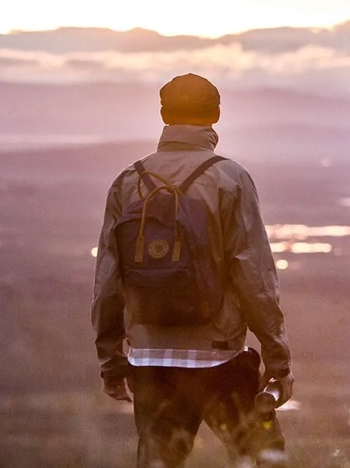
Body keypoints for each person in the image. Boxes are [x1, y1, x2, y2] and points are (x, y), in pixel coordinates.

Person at [92, 73, 294, 467]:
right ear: (216, 115)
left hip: (149, 360)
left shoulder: (128, 181)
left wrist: (111, 360)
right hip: (220, 359)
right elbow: (254, 276)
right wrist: (277, 358)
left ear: (164, 115)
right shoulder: (229, 178)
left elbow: (108, 282)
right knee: (265, 460)